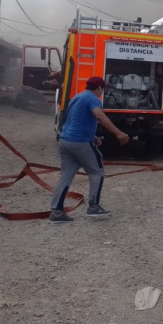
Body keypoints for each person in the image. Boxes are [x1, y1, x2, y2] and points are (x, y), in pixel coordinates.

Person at [49, 76, 130, 223]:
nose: (101, 92)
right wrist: (118, 133)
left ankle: (56, 212)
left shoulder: (77, 97)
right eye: (102, 89)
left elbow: (74, 120)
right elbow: (99, 115)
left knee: (65, 177)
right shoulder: (93, 99)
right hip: (79, 142)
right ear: (99, 88)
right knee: (97, 171)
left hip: (65, 141)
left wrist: (92, 136)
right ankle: (94, 207)